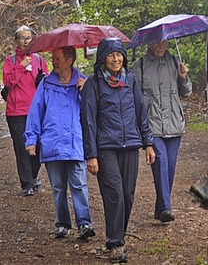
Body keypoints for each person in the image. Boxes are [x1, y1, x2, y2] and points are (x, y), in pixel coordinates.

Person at [81, 37, 156, 263]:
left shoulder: (130, 80)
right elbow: (88, 120)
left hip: (131, 144)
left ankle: (118, 234)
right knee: (114, 195)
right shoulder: (93, 84)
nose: (116, 59)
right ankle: (116, 243)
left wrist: (148, 143)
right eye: (111, 55)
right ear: (103, 58)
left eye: (119, 54)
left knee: (128, 195)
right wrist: (91, 154)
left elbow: (140, 112)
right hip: (106, 147)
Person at [24, 47, 95, 239]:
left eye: (58, 59)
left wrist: (85, 91)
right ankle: (63, 223)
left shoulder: (84, 82)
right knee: (58, 187)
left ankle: (84, 223)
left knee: (79, 185)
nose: (54, 62)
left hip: (76, 143)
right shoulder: (46, 83)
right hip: (53, 142)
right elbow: (35, 112)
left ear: (70, 60)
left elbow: (93, 113)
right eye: (53, 58)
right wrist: (31, 139)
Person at [133, 40, 192, 223]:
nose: (160, 46)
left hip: (174, 123)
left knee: (170, 168)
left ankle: (160, 208)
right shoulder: (141, 65)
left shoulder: (175, 62)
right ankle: (166, 207)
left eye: (163, 43)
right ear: (149, 43)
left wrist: (183, 77)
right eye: (156, 43)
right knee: (161, 162)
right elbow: (134, 95)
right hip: (152, 123)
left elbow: (187, 92)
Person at [3, 25, 49, 196]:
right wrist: (21, 66)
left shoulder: (39, 59)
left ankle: (33, 175)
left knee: (38, 146)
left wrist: (42, 80)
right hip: (16, 112)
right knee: (22, 148)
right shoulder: (11, 61)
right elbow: (8, 82)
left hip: (37, 110)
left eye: (29, 37)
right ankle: (27, 183)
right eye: (22, 38)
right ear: (16, 40)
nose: (26, 41)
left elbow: (46, 83)